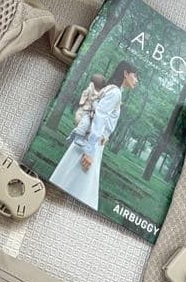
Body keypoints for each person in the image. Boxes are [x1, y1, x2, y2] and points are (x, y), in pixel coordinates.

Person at [50, 61, 139, 210]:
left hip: (91, 141)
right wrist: (90, 151)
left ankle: (58, 205)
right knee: (79, 184)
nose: (136, 80)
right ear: (125, 73)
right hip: (91, 143)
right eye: (135, 75)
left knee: (70, 179)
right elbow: (99, 118)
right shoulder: (115, 93)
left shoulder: (113, 90)